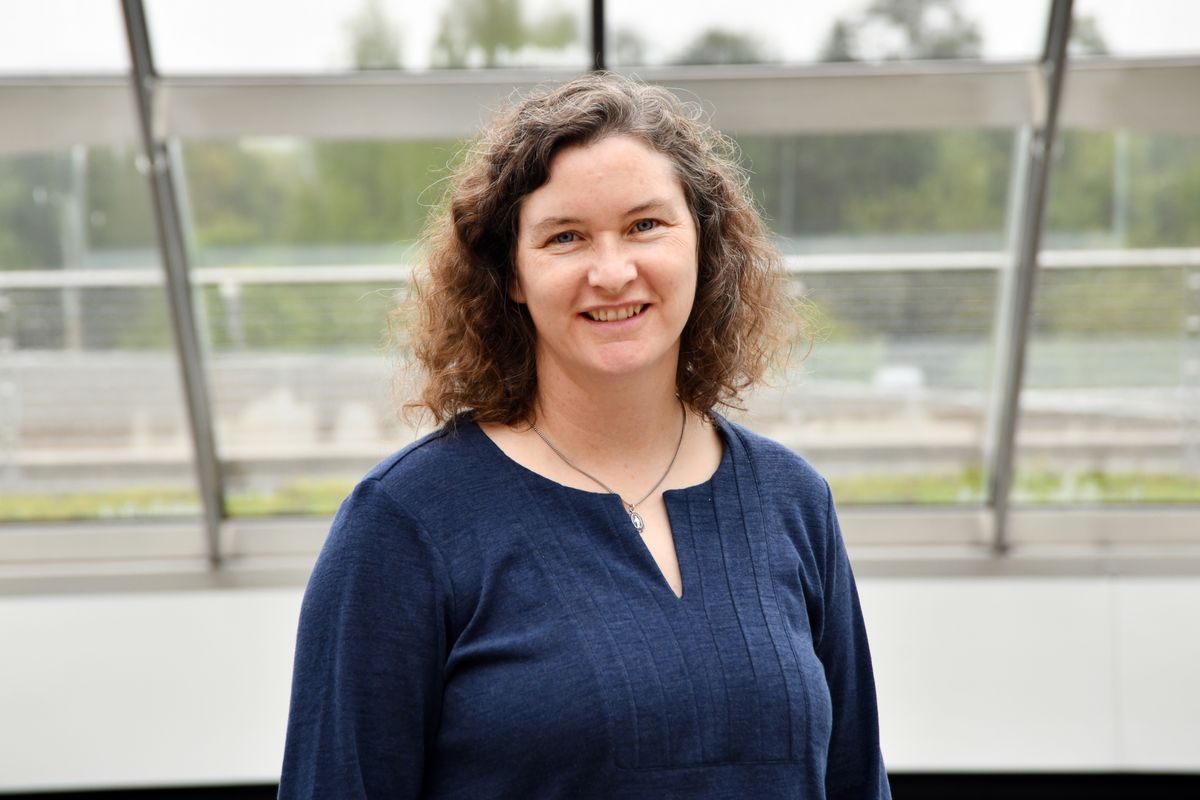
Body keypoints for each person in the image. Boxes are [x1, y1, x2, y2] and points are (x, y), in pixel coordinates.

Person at [279, 72, 890, 799]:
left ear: (705, 244)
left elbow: (855, 781)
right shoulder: (405, 524)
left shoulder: (793, 501)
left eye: (646, 226)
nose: (612, 271)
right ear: (511, 272)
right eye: (566, 237)